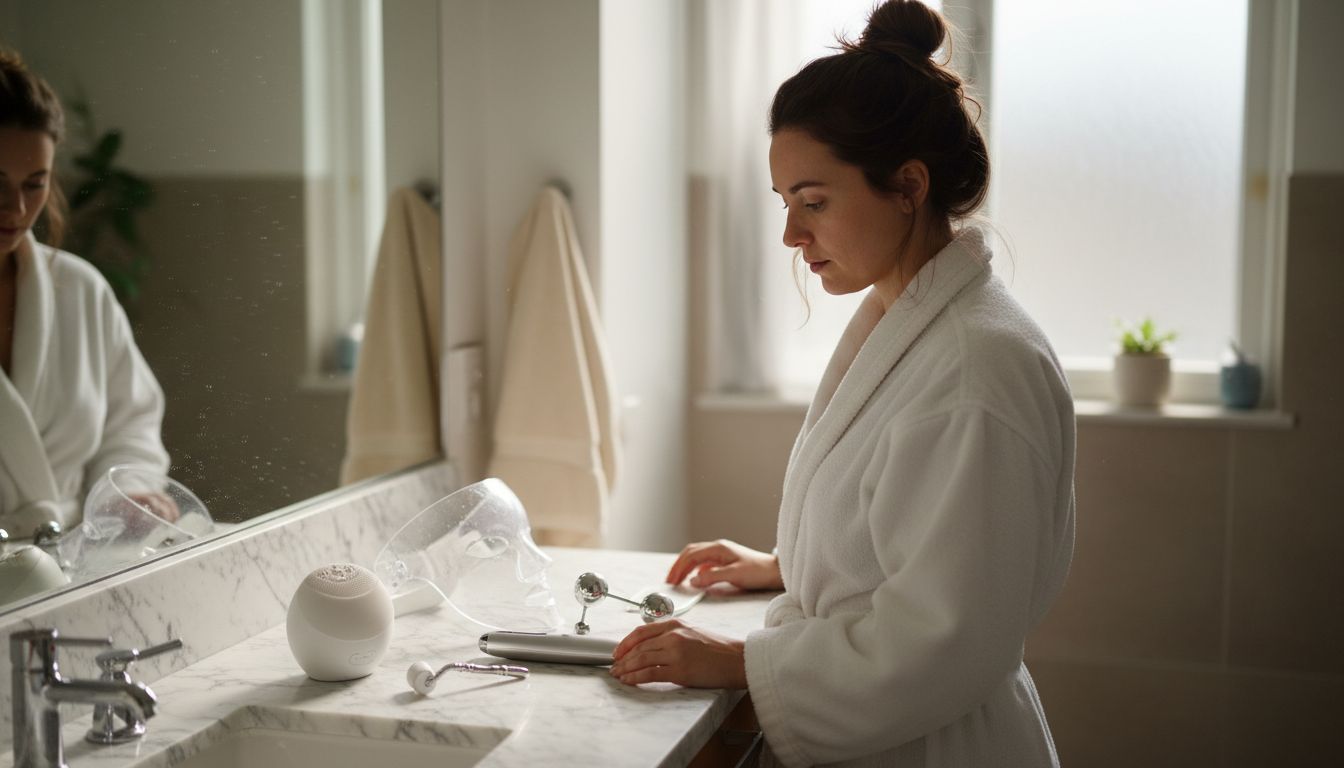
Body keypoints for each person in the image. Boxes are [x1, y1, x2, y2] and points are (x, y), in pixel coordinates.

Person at [609, 2, 1076, 766]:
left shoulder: (974, 368)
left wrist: (737, 663)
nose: (792, 237)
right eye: (786, 204)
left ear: (907, 185)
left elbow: (945, 638)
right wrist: (789, 564)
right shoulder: (913, 327)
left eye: (814, 202)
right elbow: (920, 537)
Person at [0, 49, 172, 535]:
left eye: (35, 184)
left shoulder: (80, 292)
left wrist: (129, 493)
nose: (15, 207)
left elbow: (130, 424)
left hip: (69, 569)